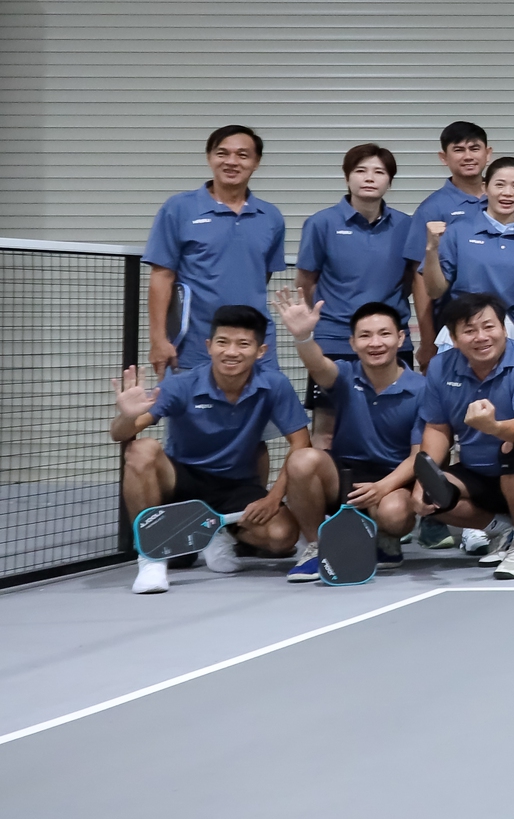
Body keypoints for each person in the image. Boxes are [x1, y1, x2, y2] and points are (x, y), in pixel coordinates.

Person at [114, 303, 326, 594]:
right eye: (222, 342)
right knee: (141, 450)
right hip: (182, 479)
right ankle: (152, 556)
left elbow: (301, 445)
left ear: (260, 351)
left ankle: (221, 533)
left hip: (235, 486)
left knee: (282, 537)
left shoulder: (274, 385)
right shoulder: (181, 384)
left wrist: (274, 498)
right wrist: (126, 416)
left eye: (243, 344)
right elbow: (120, 434)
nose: (231, 352)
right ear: (208, 346)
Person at [414, 291, 514, 580]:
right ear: (453, 338)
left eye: (489, 327)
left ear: (504, 329)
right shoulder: (440, 366)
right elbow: (438, 428)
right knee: (429, 496)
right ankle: (500, 530)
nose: (481, 337)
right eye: (469, 330)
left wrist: (493, 427)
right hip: (481, 471)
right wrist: (424, 474)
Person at [276, 293, 424, 561]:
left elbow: (418, 457)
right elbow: (318, 365)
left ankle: (385, 536)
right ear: (353, 343)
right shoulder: (344, 374)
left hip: (393, 480)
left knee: (395, 514)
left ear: (400, 339)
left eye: (384, 334)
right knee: (301, 460)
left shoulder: (422, 389)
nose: (375, 343)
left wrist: (382, 487)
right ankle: (315, 546)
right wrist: (302, 337)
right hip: (343, 477)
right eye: (365, 336)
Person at [295, 143, 423, 446]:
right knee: (327, 430)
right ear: (347, 178)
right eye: (360, 171)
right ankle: (324, 493)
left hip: (391, 341)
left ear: (389, 181)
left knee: (395, 429)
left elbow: (409, 280)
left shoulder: (406, 225)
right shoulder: (321, 223)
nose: (369, 178)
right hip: (334, 341)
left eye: (379, 172)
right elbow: (306, 281)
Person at [145, 126, 287, 375]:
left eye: (243, 155)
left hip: (255, 344)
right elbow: (161, 277)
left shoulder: (271, 217)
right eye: (223, 153)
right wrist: (158, 340)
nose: (232, 162)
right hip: (194, 345)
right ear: (210, 157)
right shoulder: (178, 209)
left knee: (258, 411)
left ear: (256, 163)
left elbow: (260, 277)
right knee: (190, 412)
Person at [422, 157, 514, 349]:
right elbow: (434, 291)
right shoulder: (457, 232)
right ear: (485, 188)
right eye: (499, 185)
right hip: (463, 335)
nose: (507, 193)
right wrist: (431, 249)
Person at [412, 122, 506, 354]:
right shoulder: (431, 209)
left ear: (488, 153)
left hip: (505, 326)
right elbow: (419, 279)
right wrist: (427, 341)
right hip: (455, 329)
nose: (468, 156)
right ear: (444, 157)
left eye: (474, 148)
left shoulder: (506, 200)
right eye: (458, 149)